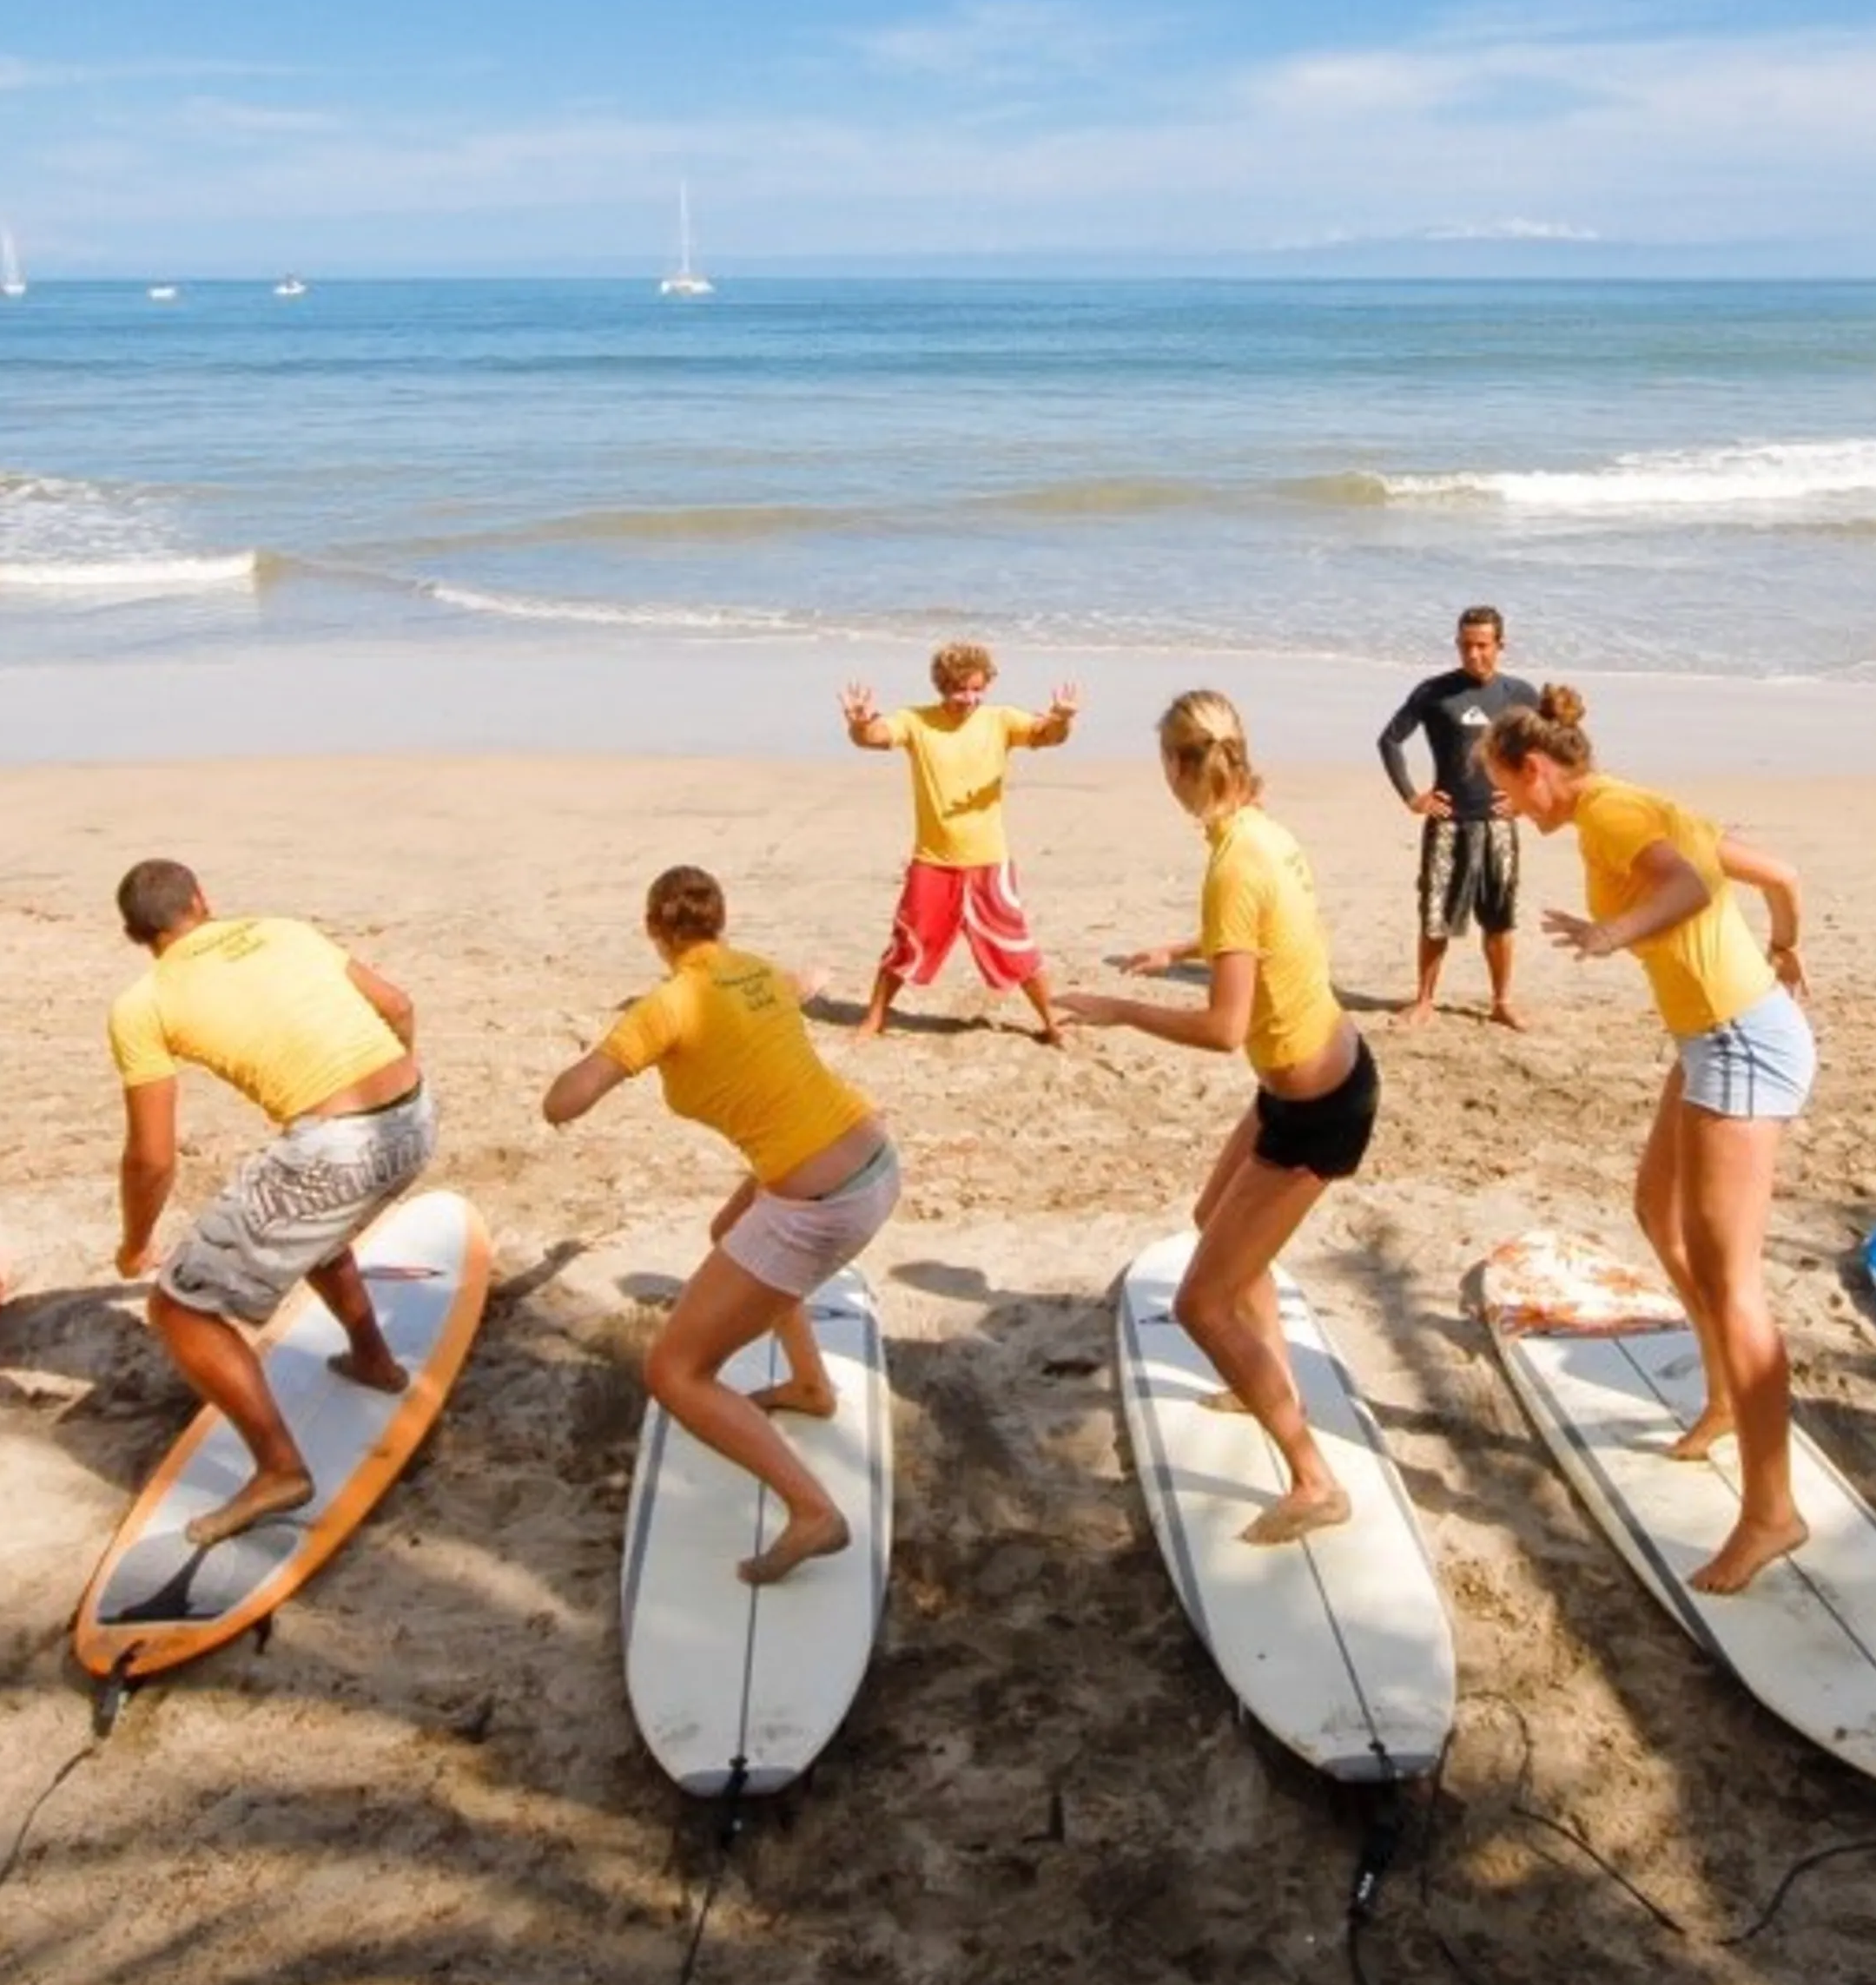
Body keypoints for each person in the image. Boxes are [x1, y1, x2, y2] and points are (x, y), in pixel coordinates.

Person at [1483, 685, 1814, 1597]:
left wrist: (1609, 933)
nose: (1506, 803)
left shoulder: (1612, 815)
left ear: (1537, 769)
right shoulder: (1634, 802)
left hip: (1740, 1043)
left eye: (1505, 785)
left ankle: (1771, 1512)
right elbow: (1778, 872)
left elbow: (1695, 883)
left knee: (1732, 1280)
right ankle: (1718, 1395)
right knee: (1654, 1212)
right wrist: (1786, 947)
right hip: (1721, 1033)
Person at [1057, 691, 1377, 1546]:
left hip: (1319, 1108)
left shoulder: (1235, 860)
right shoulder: (1262, 831)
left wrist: (1123, 1007)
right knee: (1212, 1226)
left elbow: (1222, 1028)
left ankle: (1314, 1479)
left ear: (1178, 766)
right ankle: (1262, 1377)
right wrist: (1181, 948)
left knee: (1202, 1304)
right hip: (1308, 1078)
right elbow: (1263, 929)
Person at [542, 865, 899, 1586]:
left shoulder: (667, 1006)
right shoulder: (756, 971)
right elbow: (797, 988)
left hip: (819, 1204)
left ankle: (811, 1511)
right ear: (721, 921)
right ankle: (808, 1386)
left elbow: (564, 1104)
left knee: (675, 1371)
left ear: (653, 930)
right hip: (874, 1158)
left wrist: (607, 1053)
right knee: (727, 1233)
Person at [104, 860, 439, 1546]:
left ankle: (278, 1469)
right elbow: (398, 1005)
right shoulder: (286, 931)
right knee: (308, 1216)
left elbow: (152, 1158)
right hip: (417, 1115)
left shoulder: (143, 1004)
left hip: (334, 1147)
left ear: (137, 934)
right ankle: (373, 1359)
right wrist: (389, 1094)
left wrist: (136, 1244)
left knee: (178, 1307)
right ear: (203, 901)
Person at [838, 641, 1080, 1040]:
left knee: (1016, 946)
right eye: (958, 689)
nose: (968, 698)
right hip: (933, 862)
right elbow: (874, 737)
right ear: (941, 685)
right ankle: (875, 1018)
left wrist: (1064, 719)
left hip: (989, 861)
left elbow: (1047, 735)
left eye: (976, 689)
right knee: (905, 945)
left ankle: (1051, 1022)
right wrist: (860, 723)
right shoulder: (916, 721)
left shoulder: (1001, 720)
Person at [1377, 604, 1541, 1030]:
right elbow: (1390, 741)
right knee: (1436, 916)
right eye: (1466, 645)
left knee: (1500, 917)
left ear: (1500, 646)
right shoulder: (1435, 693)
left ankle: (1502, 1002)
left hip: (1498, 824)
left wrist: (1525, 802)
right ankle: (1424, 1001)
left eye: (1483, 646)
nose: (1473, 655)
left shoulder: (1521, 695)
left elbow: (1550, 753)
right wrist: (1413, 797)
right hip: (1448, 823)